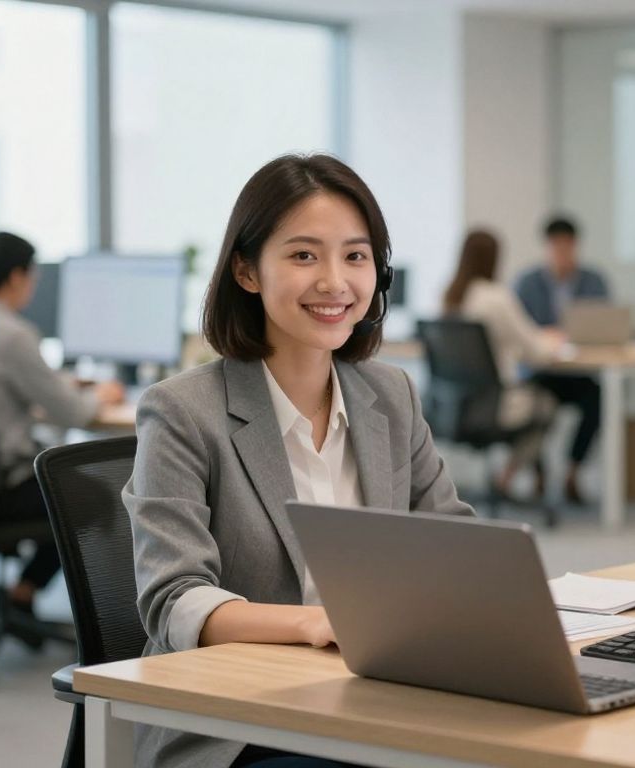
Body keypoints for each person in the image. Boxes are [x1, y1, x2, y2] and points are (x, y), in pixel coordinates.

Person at [124, 154, 474, 768]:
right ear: (247, 271)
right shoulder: (182, 411)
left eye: (356, 256)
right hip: (244, 722)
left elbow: (455, 542)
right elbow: (174, 599)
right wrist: (315, 623)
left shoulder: (389, 394)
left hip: (380, 697)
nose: (336, 282)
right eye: (304, 255)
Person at [0, 232, 124, 621]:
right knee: (95, 495)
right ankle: (26, 590)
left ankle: (22, 595)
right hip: (1, 489)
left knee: (66, 482)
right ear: (17, 277)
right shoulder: (12, 335)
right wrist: (103, 395)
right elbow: (74, 414)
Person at [443, 230, 559, 500]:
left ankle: (507, 479)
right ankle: (506, 478)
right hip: (496, 405)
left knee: (535, 400)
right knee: (546, 405)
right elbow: (534, 350)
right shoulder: (495, 297)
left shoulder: (451, 296)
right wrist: (554, 340)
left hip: (458, 407)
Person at [513, 216, 607, 502]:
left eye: (567, 246)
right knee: (532, 406)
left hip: (578, 372)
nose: (562, 252)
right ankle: (538, 475)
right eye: (556, 246)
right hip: (541, 372)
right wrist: (546, 335)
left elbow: (604, 325)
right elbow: (519, 331)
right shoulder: (527, 283)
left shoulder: (594, 282)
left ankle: (573, 472)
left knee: (598, 400)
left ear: (575, 246)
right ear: (547, 246)